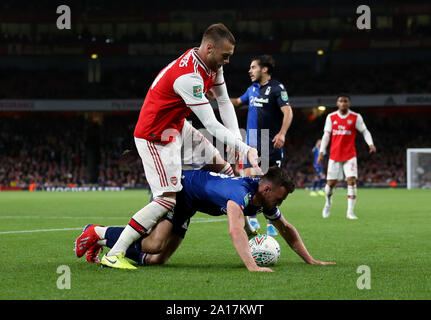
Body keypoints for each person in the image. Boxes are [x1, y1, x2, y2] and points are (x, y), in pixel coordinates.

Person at [88, 23, 261, 269]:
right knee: (166, 200)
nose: (227, 61)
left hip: (177, 126)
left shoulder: (211, 66)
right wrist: (246, 149)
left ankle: (249, 231)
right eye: (225, 56)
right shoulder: (188, 77)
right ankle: (114, 253)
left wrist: (237, 142)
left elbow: (224, 102)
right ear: (209, 48)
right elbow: (211, 124)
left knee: (224, 169)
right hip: (155, 135)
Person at [76, 167, 335, 271]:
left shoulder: (261, 198)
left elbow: (286, 228)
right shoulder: (239, 195)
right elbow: (236, 230)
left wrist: (311, 260)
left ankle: (102, 243)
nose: (279, 204)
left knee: (158, 259)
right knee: (154, 244)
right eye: (279, 199)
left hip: (194, 202)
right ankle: (96, 232)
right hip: (182, 191)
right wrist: (252, 266)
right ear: (267, 190)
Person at [231, 54, 293, 236]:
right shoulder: (251, 89)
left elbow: (288, 112)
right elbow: (237, 102)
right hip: (252, 147)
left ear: (264, 69)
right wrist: (218, 97)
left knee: (272, 185)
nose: (250, 71)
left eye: (253, 67)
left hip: (270, 146)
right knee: (251, 182)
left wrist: (282, 133)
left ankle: (271, 220)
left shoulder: (276, 89)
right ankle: (251, 218)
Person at [317, 94, 376, 219]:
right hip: (334, 155)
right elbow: (326, 135)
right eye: (340, 101)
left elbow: (365, 131)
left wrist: (370, 144)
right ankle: (328, 203)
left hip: (350, 155)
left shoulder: (356, 117)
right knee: (330, 184)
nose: (343, 103)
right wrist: (321, 152)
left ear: (349, 103)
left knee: (352, 181)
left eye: (345, 101)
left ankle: (350, 212)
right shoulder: (331, 117)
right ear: (337, 103)